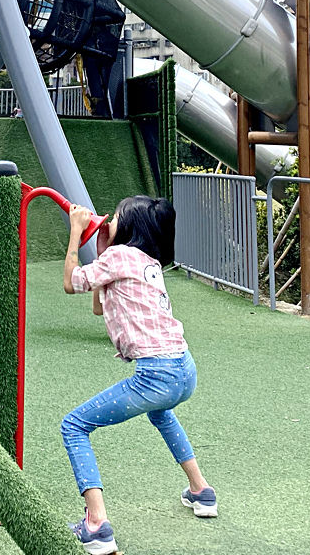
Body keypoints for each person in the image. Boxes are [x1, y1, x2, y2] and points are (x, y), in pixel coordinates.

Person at [60, 195, 216, 554]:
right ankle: (200, 491)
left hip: (156, 374)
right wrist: (101, 248)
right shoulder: (147, 262)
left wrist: (75, 232)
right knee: (161, 412)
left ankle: (96, 524)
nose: (109, 219)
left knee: (73, 426)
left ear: (127, 226)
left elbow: (71, 283)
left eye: (115, 216)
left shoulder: (118, 258)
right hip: (183, 368)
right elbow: (99, 308)